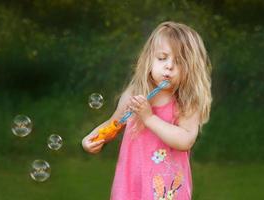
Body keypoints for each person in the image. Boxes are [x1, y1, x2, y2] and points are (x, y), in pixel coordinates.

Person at [82, 21, 212, 200]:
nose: (169, 66)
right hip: (131, 184)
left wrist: (149, 118)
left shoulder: (186, 101)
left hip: (166, 190)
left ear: (191, 67)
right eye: (162, 58)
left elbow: (185, 140)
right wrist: (95, 137)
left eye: (179, 62)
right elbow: (115, 123)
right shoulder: (135, 94)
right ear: (149, 59)